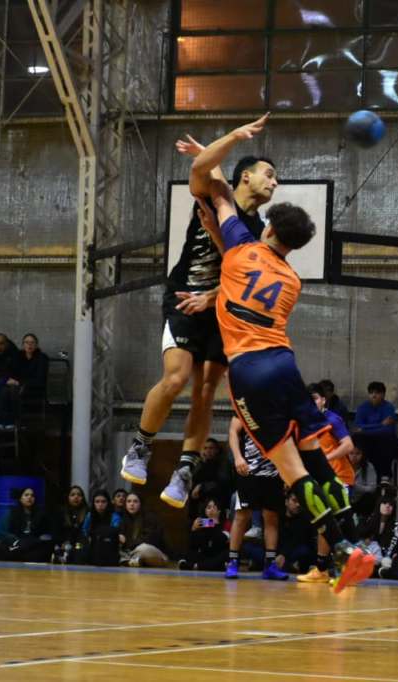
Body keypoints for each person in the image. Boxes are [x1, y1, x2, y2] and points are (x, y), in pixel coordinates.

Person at [186, 115, 372, 593]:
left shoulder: (241, 249)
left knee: (291, 472)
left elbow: (219, 193)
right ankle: (353, 542)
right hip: (285, 365)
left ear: (267, 227)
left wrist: (214, 154)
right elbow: (241, 271)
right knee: (316, 461)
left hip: (248, 371)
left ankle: (343, 549)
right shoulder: (291, 280)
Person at [120, 132, 277, 511]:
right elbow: (201, 169)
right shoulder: (216, 196)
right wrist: (229, 139)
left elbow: (244, 282)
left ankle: (185, 469)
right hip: (185, 298)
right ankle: (140, 446)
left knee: (206, 391)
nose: (275, 183)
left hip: (222, 310)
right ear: (246, 177)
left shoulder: (260, 232)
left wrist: (214, 296)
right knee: (176, 379)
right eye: (270, 175)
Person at [297, 383, 356, 584]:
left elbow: (348, 445)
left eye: (315, 398)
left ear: (323, 400)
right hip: (319, 480)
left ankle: (347, 570)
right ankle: (322, 569)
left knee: (337, 524)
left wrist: (325, 459)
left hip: (340, 478)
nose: (311, 402)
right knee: (324, 525)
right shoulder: (304, 423)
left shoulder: (332, 419)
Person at [225, 416, 288, 580]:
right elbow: (233, 431)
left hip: (273, 472)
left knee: (271, 517)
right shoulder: (245, 405)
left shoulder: (279, 408)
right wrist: (238, 457)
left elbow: (287, 439)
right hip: (248, 471)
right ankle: (232, 562)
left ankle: (270, 565)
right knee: (241, 516)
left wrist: (286, 470)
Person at [0, 487, 53, 562]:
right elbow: (3, 531)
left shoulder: (41, 514)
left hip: (32, 544)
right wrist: (16, 539)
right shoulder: (11, 512)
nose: (29, 497)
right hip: (16, 542)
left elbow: (44, 533)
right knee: (11, 546)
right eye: (26, 495)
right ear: (20, 498)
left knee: (43, 547)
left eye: (32, 496)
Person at [0, 333, 49, 427]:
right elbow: (13, 371)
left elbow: (39, 380)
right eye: (27, 342)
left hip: (34, 389)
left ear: (36, 345)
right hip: (19, 386)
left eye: (32, 342)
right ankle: (3, 421)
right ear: (23, 345)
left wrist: (19, 383)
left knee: (14, 390)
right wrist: (12, 380)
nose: (29, 345)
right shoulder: (19, 356)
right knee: (5, 389)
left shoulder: (41, 358)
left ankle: (18, 421)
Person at [353, 381, 398, 481]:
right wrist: (381, 424)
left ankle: (385, 476)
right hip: (368, 440)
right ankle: (361, 473)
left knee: (389, 438)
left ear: (383, 395)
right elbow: (357, 427)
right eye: (371, 393)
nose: (374, 395)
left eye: (377, 393)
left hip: (382, 439)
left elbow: (389, 429)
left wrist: (366, 430)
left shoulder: (388, 407)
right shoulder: (363, 407)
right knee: (356, 437)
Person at [178, 497, 232, 572]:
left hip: (218, 555)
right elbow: (193, 546)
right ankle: (208, 566)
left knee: (227, 554)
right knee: (188, 554)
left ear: (219, 511)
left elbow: (219, 543)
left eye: (214, 507)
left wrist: (215, 524)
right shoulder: (201, 523)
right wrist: (194, 529)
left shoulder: (226, 524)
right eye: (209, 507)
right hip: (205, 556)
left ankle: (196, 566)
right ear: (205, 510)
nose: (211, 510)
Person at [118, 491, 168, 567]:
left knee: (144, 548)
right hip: (131, 552)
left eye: (135, 501)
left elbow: (149, 541)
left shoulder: (149, 518)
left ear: (141, 504)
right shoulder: (124, 520)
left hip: (155, 554)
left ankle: (128, 561)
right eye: (129, 501)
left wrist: (126, 541)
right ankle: (133, 561)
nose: (132, 504)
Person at [189, 437, 235, 509]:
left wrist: (202, 486)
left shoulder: (224, 461)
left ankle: (215, 516)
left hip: (220, 493)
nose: (208, 450)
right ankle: (195, 516)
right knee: (192, 490)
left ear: (217, 450)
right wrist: (202, 462)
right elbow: (194, 477)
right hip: (205, 490)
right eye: (205, 448)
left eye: (211, 448)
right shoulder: (201, 460)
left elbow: (223, 482)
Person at [53, 486, 90, 564]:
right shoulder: (61, 512)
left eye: (79, 495)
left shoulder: (88, 512)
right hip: (65, 544)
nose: (76, 497)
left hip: (82, 545)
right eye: (72, 495)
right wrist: (62, 542)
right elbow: (57, 531)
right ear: (68, 497)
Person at [348, 444, 377, 518]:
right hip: (345, 499)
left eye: (358, 454)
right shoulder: (342, 465)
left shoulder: (368, 467)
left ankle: (364, 520)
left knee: (369, 498)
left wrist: (355, 486)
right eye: (351, 453)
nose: (354, 456)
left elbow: (372, 488)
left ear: (363, 455)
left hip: (360, 499)